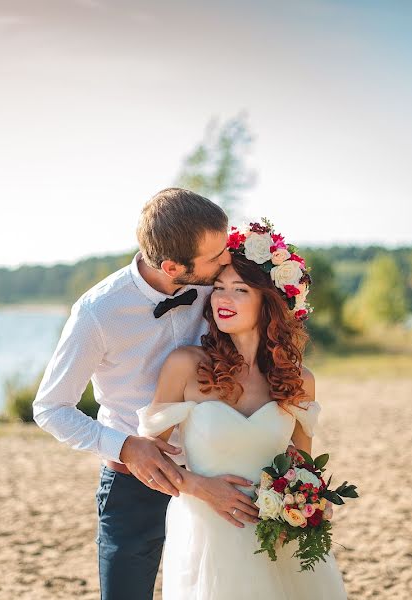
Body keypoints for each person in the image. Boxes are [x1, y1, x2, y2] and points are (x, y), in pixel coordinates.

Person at [32, 188, 261, 600]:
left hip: (221, 472)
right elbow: (50, 408)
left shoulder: (218, 280)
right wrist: (125, 447)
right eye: (215, 258)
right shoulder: (97, 314)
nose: (228, 262)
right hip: (134, 482)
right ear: (173, 266)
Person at [137, 220, 348, 599]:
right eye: (218, 288)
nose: (222, 299)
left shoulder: (300, 378)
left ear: (269, 303)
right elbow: (149, 460)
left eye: (240, 290)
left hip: (278, 536)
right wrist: (198, 486)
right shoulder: (185, 365)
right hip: (208, 531)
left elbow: (302, 463)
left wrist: (312, 505)